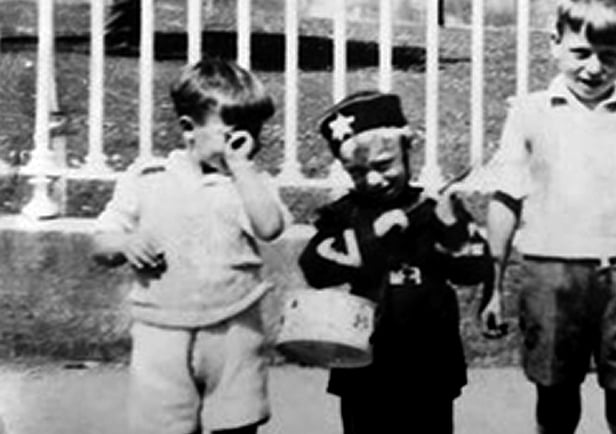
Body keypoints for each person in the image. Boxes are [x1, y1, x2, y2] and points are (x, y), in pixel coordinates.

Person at [482, 0, 616, 433]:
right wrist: (493, 285)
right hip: (550, 277)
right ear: (554, 43)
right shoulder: (529, 114)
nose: (594, 67)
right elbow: (505, 202)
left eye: (609, 56)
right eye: (581, 52)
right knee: (555, 398)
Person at [92, 58, 291, 434]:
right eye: (233, 135)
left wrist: (242, 168)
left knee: (237, 422)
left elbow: (269, 227)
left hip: (234, 326)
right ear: (189, 128)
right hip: (161, 330)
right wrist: (125, 242)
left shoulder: (249, 183)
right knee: (162, 425)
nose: (248, 145)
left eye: (256, 134)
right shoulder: (147, 178)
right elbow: (101, 242)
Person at [298, 90, 495, 434]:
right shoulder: (344, 213)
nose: (373, 179)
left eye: (384, 165)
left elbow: (474, 269)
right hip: (365, 362)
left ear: (407, 152)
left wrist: (452, 228)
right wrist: (371, 236)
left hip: (430, 362)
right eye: (358, 171)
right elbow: (315, 268)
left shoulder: (435, 209)